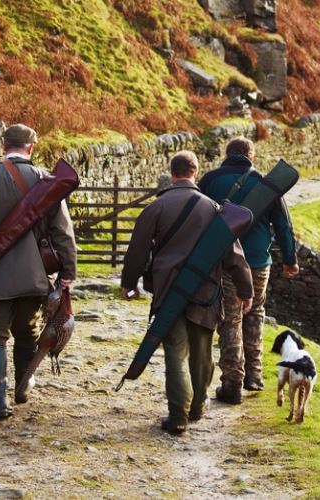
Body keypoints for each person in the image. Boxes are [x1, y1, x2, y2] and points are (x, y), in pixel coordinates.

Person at [0, 124, 77, 420]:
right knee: (27, 330)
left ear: (3, 144)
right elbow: (62, 232)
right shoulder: (46, 180)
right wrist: (68, 272)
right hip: (34, 276)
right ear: (31, 147)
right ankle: (22, 386)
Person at [121, 150, 253, 434]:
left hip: (168, 290)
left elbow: (137, 251)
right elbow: (234, 255)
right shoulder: (214, 209)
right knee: (202, 353)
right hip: (205, 291)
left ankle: (178, 415)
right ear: (195, 172)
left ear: (172, 172)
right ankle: (197, 406)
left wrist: (129, 284)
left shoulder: (156, 207)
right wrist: (246, 290)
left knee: (175, 352)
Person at [198, 136, 299, 404]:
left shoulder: (209, 181)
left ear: (227, 154)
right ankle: (254, 376)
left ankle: (232, 381)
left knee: (230, 317)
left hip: (224, 260)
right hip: (257, 262)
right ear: (251, 156)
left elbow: (196, 217)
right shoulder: (265, 184)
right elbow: (284, 226)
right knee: (255, 313)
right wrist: (290, 260)